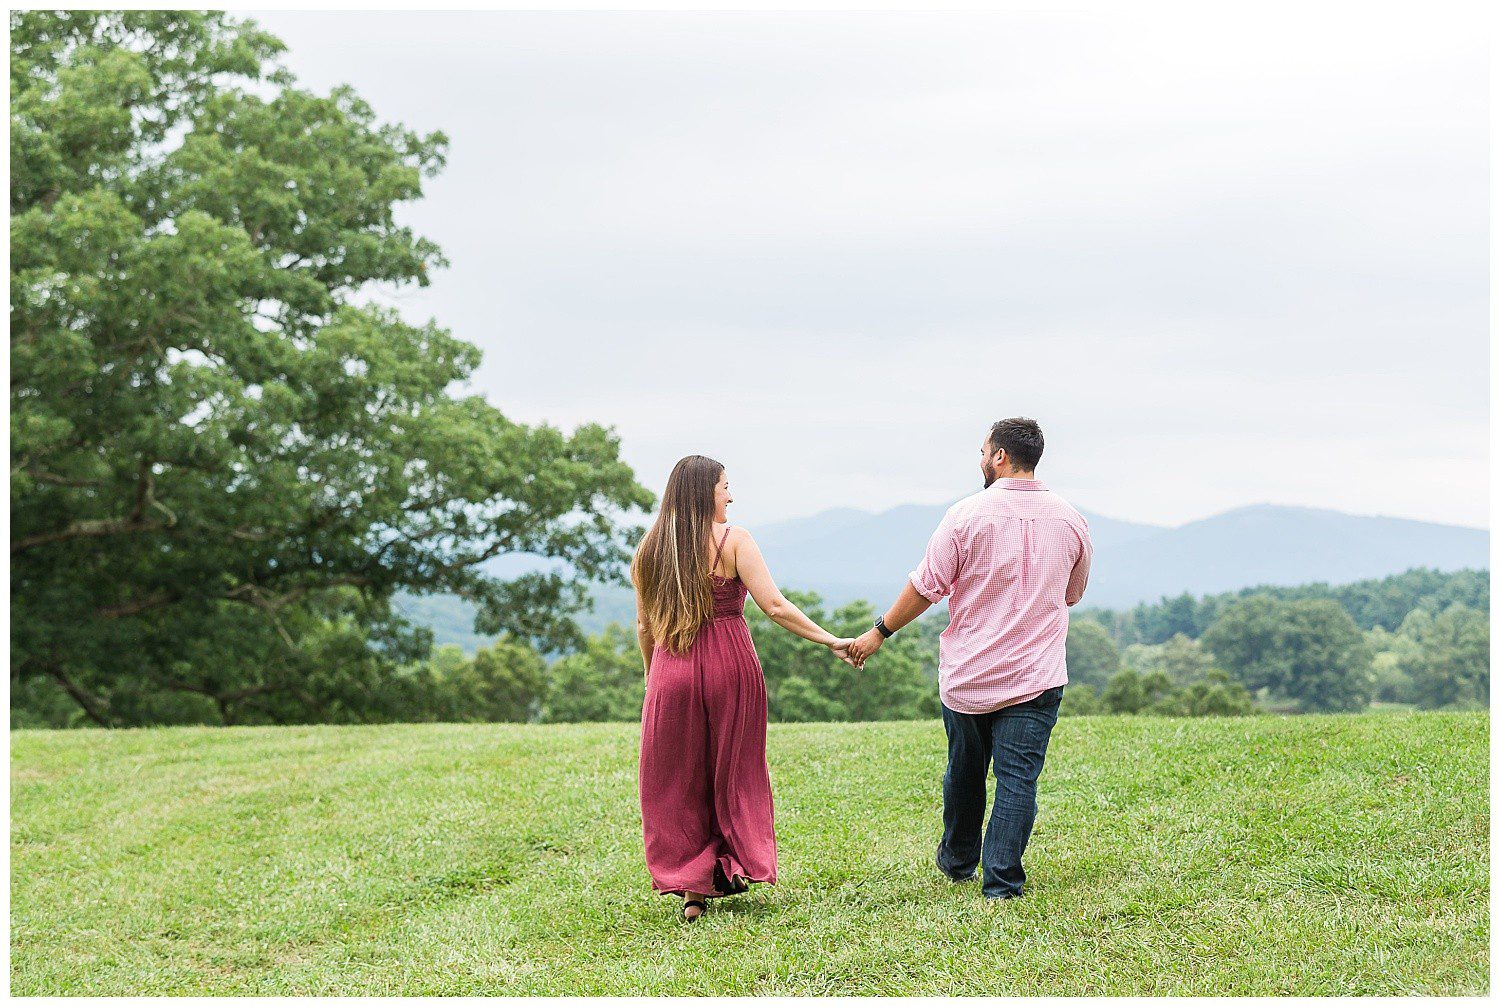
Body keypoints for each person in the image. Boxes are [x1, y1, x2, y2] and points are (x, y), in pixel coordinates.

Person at [847, 418, 1092, 900]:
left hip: (969, 676)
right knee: (1018, 779)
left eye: (983, 451)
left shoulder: (964, 515)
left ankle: (958, 861)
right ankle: (1001, 884)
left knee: (965, 770)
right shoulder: (1071, 520)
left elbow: (926, 586)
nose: (981, 459)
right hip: (1035, 676)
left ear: (1000, 456)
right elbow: (1073, 593)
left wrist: (879, 632)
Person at [633, 454, 857, 921]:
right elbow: (774, 605)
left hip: (670, 669)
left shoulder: (649, 547)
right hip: (730, 666)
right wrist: (830, 639)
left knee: (678, 778)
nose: (730, 496)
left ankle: (693, 887)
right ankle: (731, 865)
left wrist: (656, 679)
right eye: (724, 487)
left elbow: (643, 626)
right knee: (733, 771)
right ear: (704, 493)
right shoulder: (735, 541)